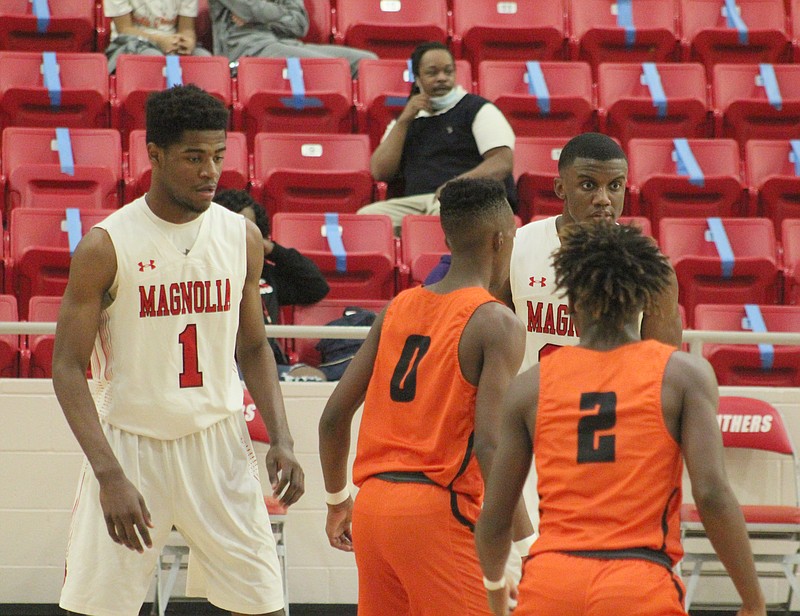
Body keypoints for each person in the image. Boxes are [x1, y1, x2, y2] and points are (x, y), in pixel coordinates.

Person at [54, 84, 304, 616]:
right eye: (194, 157)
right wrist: (108, 473)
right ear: (155, 155)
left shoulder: (241, 236)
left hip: (218, 442)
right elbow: (66, 369)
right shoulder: (106, 244)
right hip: (130, 443)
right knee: (96, 608)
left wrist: (282, 437)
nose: (210, 170)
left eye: (217, 155)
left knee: (263, 604)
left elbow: (255, 345)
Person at [474, 222, 766, 616]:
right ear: (645, 298)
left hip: (552, 582)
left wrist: (495, 590)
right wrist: (753, 600)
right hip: (638, 580)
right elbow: (712, 495)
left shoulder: (530, 387)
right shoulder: (682, 376)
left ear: (572, 301)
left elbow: (494, 516)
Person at [319, 178, 534, 615]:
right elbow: (493, 446)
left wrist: (337, 501)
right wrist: (528, 543)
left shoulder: (397, 307)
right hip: (437, 512)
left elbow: (333, 417)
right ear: (502, 239)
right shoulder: (496, 322)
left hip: (373, 508)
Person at [505, 132, 683, 371]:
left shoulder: (650, 267)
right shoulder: (517, 247)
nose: (603, 199)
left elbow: (662, 372)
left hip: (614, 406)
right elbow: (496, 350)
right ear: (560, 188)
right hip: (537, 405)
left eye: (615, 186)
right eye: (588, 185)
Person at [358, 42, 517, 234]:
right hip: (417, 202)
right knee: (368, 219)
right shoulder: (406, 121)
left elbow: (502, 162)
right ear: (417, 79)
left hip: (466, 199)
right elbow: (380, 172)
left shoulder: (478, 109)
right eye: (432, 73)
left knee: (440, 217)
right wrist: (404, 121)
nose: (442, 78)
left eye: (448, 72)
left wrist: (456, 186)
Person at [214, 188, 329, 375]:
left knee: (312, 377)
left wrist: (271, 249)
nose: (238, 236)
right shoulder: (201, 272)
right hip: (224, 368)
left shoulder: (267, 273)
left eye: (247, 228)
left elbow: (316, 286)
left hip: (268, 366)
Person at [209, 0, 377, 78]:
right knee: (333, 67)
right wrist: (278, 10)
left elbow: (299, 24)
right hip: (247, 47)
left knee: (366, 63)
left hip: (285, 42)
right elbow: (252, 9)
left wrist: (261, 14)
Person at [103, 0, 211, 74]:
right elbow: (124, 29)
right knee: (156, 60)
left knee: (205, 60)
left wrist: (188, 40)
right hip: (130, 42)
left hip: (172, 42)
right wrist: (160, 41)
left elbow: (186, 29)